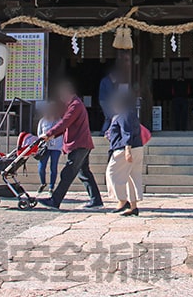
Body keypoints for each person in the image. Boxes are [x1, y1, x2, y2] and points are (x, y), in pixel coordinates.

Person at [37, 79, 103, 210]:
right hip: (82, 143)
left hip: (79, 144)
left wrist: (49, 133)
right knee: (84, 173)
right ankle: (96, 200)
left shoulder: (75, 105)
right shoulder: (74, 105)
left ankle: (55, 200)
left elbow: (65, 123)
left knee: (68, 172)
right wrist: (52, 135)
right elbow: (66, 126)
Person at [106, 91, 144, 216]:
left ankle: (122, 200)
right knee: (130, 177)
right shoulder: (130, 114)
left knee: (112, 173)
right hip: (136, 148)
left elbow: (127, 132)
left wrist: (127, 149)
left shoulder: (124, 114)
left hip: (125, 150)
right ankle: (133, 206)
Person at [36, 101, 64, 192]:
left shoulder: (59, 120)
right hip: (45, 147)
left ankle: (51, 186)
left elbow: (62, 132)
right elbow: (39, 133)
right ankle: (43, 182)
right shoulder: (43, 121)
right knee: (41, 167)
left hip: (56, 147)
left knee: (53, 167)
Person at [99, 68, 118, 134]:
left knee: (109, 117)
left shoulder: (105, 80)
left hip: (104, 101)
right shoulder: (107, 81)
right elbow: (110, 92)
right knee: (110, 116)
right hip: (105, 101)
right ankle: (105, 132)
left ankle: (105, 132)